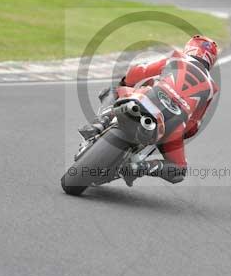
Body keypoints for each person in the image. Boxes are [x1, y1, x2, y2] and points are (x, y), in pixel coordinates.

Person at [78, 35, 220, 185]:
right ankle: (143, 167)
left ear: (190, 48)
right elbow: (194, 124)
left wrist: (126, 82)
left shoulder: (176, 58)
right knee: (179, 170)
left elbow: (141, 71)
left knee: (113, 91)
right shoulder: (211, 87)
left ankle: (99, 123)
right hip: (175, 123)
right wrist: (181, 134)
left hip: (149, 98)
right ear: (211, 59)